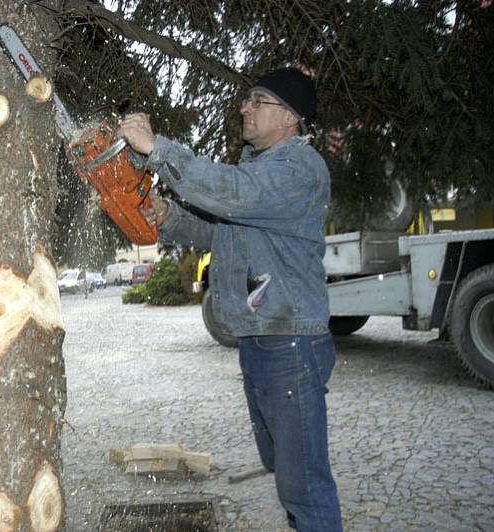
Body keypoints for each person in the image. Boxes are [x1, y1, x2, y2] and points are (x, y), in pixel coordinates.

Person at [118, 67, 342, 531]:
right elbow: (220, 229)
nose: (245, 107)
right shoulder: (259, 172)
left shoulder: (299, 169)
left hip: (291, 343)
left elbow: (233, 195)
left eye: (258, 100)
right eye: (247, 99)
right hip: (260, 341)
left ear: (290, 117)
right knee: (281, 462)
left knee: (305, 486)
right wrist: (167, 214)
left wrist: (159, 150)